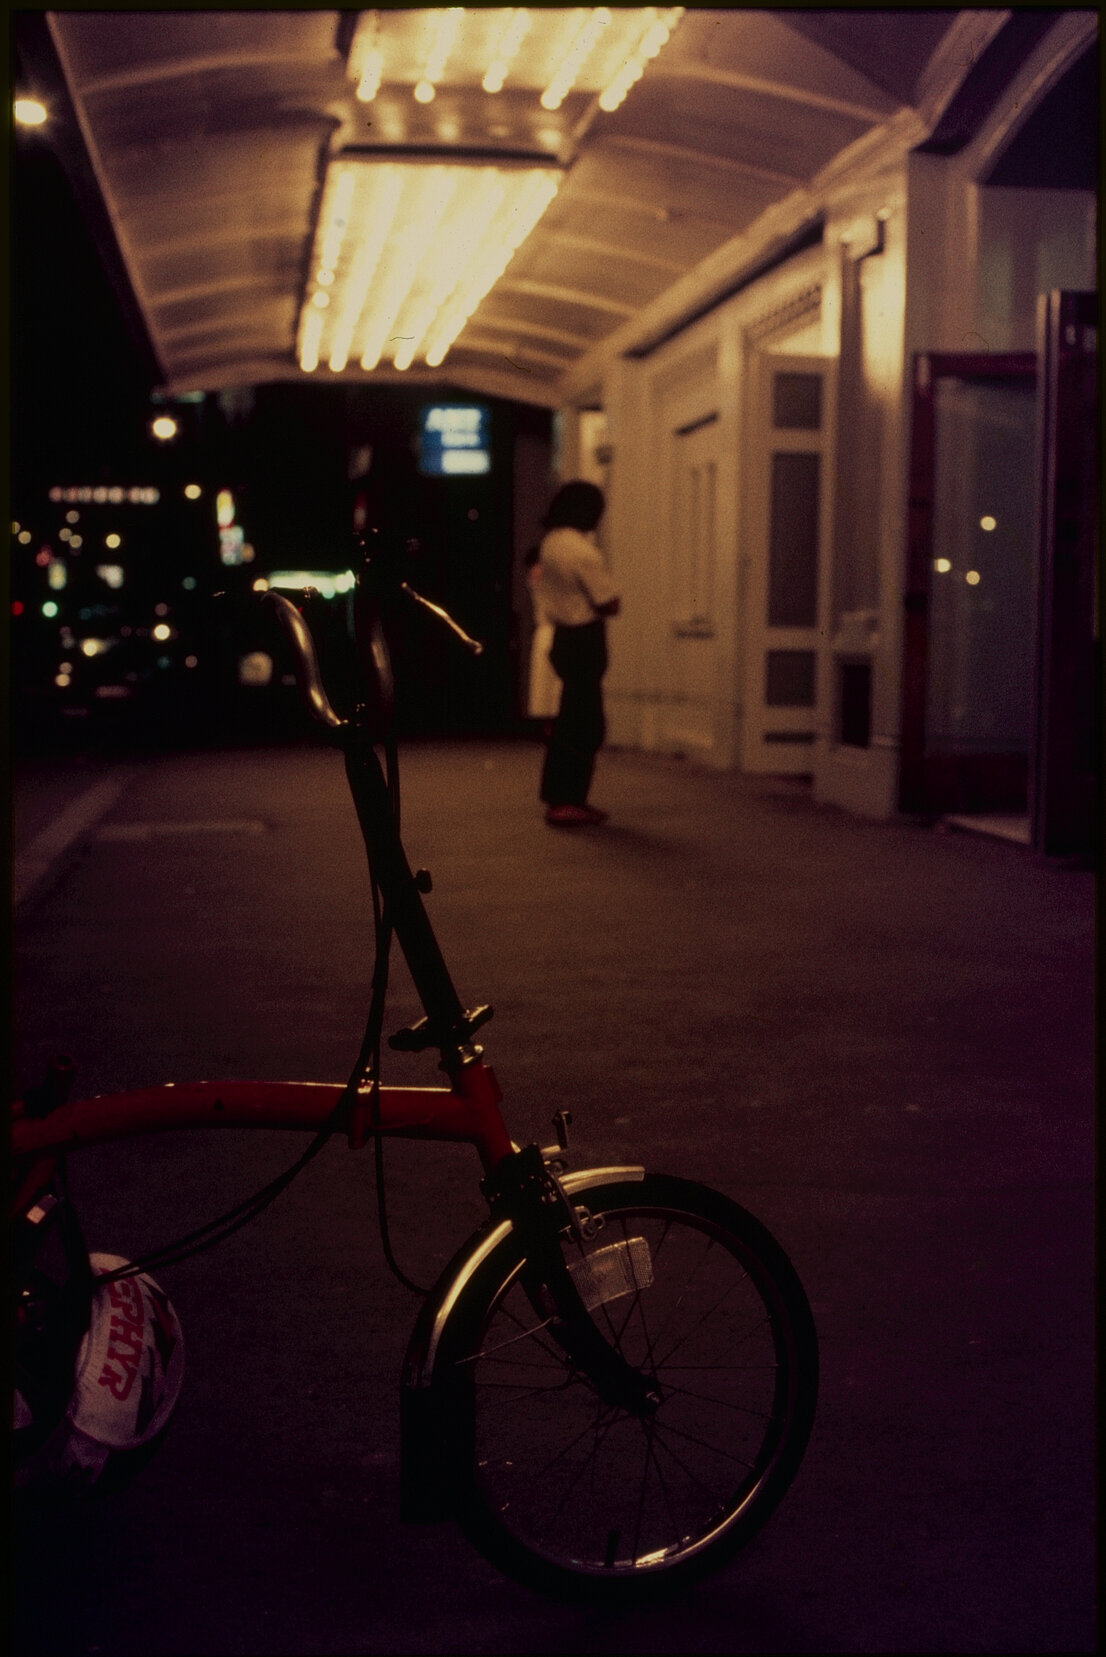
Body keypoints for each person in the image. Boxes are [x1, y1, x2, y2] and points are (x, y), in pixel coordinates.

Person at [534, 480, 619, 826]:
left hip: (562, 638)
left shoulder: (551, 543)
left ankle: (562, 797)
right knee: (585, 723)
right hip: (584, 637)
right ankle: (567, 800)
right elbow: (609, 601)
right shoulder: (583, 550)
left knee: (571, 718)